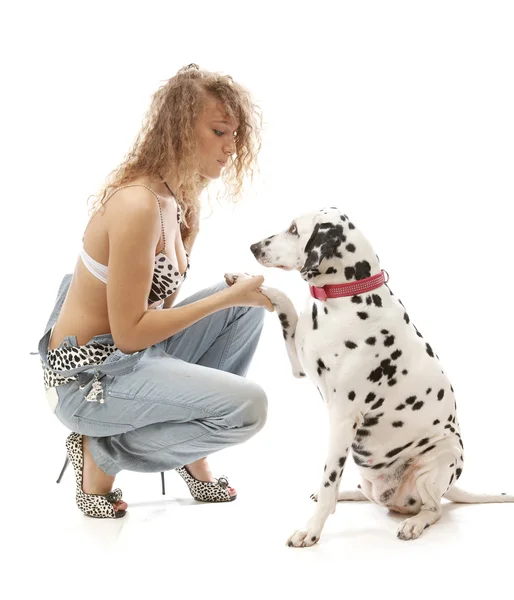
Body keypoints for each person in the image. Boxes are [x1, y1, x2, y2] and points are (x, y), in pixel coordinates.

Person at [37, 64, 274, 519]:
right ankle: (98, 453)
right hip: (90, 381)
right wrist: (224, 296)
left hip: (131, 360)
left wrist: (189, 242)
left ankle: (186, 444)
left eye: (236, 134)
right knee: (249, 406)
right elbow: (129, 334)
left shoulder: (173, 198)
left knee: (244, 315)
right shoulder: (137, 203)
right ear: (183, 130)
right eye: (220, 131)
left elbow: (150, 307)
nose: (232, 146)